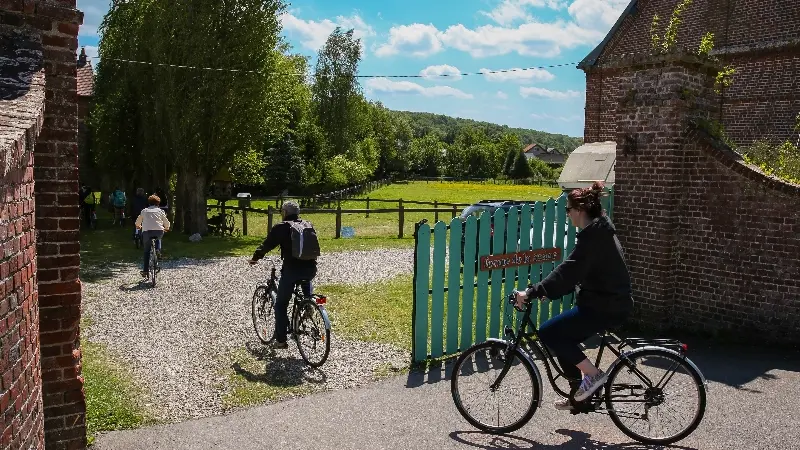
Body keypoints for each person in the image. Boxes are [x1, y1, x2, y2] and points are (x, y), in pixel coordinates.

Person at [513, 180, 633, 411]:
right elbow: (579, 273)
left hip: (605, 306)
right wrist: (550, 290)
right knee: (561, 335)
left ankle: (594, 376)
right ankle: (580, 396)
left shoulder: (593, 238)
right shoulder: (599, 231)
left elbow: (569, 270)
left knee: (550, 332)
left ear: (579, 211)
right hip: (607, 302)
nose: (567, 214)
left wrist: (532, 291)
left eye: (568, 210)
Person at [249, 201, 319, 349]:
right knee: (305, 278)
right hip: (311, 269)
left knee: (280, 305)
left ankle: (281, 341)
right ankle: (308, 303)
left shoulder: (282, 227)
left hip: (291, 270)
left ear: (285, 213)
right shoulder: (307, 224)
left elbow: (267, 245)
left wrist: (255, 258)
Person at [135, 194, 171, 278]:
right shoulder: (160, 211)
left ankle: (145, 271)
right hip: (158, 230)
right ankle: (158, 249)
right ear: (158, 203)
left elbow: (138, 222)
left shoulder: (144, 211)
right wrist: (166, 228)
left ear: (149, 203)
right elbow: (166, 222)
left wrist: (138, 226)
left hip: (147, 231)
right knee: (158, 237)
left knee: (146, 251)